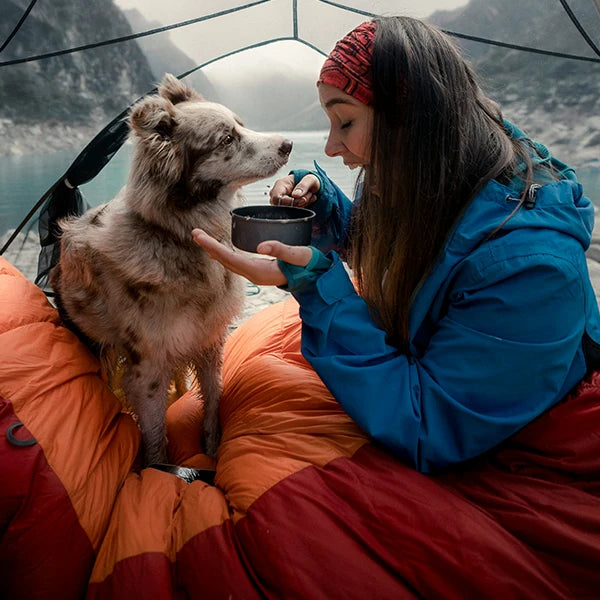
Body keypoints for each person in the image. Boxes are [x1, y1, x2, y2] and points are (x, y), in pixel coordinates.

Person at [192, 16, 600, 473]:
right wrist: (325, 208)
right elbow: (399, 252)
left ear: (411, 119)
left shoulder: (530, 270)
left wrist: (315, 288)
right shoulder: (427, 173)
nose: (330, 147)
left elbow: (430, 427)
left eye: (345, 121)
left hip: (513, 441)